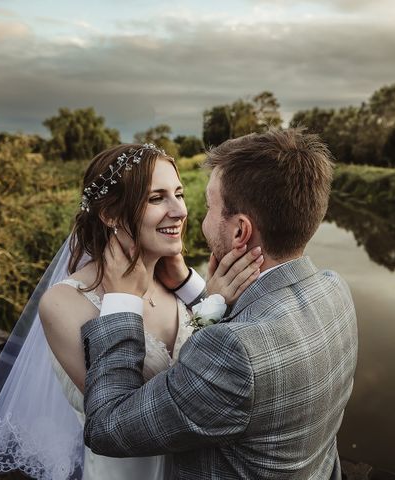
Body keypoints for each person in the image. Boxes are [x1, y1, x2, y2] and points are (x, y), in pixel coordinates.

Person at [0, 143, 262, 480]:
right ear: (109, 214)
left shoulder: (181, 284)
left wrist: (193, 288)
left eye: (179, 194)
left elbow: (242, 354)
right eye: (156, 198)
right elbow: (133, 415)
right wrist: (208, 307)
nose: (179, 211)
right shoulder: (65, 303)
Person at [81, 128, 359, 479]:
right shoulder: (333, 290)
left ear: (241, 231)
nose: (187, 215)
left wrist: (121, 300)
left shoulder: (236, 354)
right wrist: (193, 288)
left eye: (210, 206)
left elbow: (106, 427)